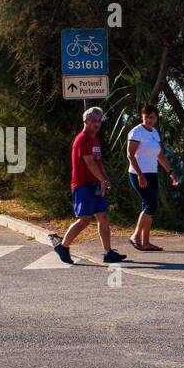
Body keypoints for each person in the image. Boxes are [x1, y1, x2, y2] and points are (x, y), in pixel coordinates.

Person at [52, 106, 126, 265]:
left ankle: (108, 252)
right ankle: (63, 246)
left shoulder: (94, 139)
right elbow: (89, 162)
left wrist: (105, 178)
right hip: (83, 185)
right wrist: (101, 180)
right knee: (84, 220)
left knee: (103, 216)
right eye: (93, 121)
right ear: (85, 121)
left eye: (99, 121)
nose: (96, 124)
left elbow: (98, 162)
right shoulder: (83, 139)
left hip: (96, 184)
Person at [126, 103, 179, 251]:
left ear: (156, 118)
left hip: (152, 173)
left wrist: (171, 173)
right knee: (151, 204)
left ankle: (145, 242)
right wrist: (140, 175)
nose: (149, 120)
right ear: (142, 116)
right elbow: (130, 154)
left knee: (148, 206)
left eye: (152, 117)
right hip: (138, 173)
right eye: (146, 117)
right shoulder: (137, 132)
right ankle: (135, 236)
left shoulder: (155, 132)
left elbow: (160, 155)